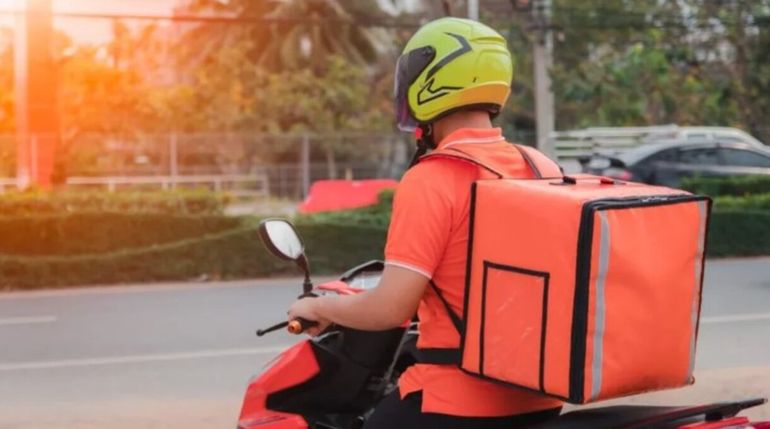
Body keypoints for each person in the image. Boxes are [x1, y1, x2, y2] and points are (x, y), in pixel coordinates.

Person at [288, 17, 563, 428]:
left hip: (456, 399)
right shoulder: (542, 167)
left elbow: (390, 308)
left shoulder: (432, 178)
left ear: (430, 81)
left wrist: (321, 307)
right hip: (539, 393)